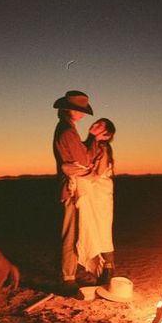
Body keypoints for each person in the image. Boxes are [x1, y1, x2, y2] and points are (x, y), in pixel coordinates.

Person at [52, 91, 109, 297]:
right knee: (70, 234)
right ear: (71, 110)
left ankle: (71, 274)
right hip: (72, 188)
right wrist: (94, 140)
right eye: (81, 111)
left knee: (75, 232)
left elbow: (80, 156)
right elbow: (83, 160)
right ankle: (67, 278)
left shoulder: (68, 129)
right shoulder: (67, 131)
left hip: (73, 187)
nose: (84, 115)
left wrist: (91, 142)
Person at [69, 118, 116, 285]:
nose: (93, 126)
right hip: (91, 190)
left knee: (103, 230)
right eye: (95, 123)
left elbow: (99, 173)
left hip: (100, 191)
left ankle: (108, 268)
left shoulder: (103, 147)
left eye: (99, 126)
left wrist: (75, 174)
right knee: (90, 226)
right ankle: (98, 267)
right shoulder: (87, 145)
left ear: (106, 134)